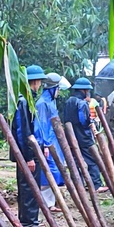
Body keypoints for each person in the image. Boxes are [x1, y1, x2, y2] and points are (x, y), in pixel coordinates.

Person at [10, 64, 47, 227]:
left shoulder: (27, 99)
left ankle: (31, 219)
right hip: (26, 152)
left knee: (31, 184)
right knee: (28, 185)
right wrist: (28, 156)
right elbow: (22, 131)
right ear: (35, 81)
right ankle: (28, 221)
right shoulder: (23, 101)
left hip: (29, 150)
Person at [63, 77, 109, 193]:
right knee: (92, 159)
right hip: (83, 136)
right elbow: (83, 120)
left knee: (75, 161)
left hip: (70, 136)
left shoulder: (69, 101)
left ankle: (78, 185)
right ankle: (96, 184)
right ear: (84, 90)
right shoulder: (82, 103)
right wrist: (90, 124)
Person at [36, 72, 65, 212]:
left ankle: (52, 202)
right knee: (48, 171)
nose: (58, 92)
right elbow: (41, 125)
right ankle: (47, 203)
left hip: (54, 142)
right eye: (58, 89)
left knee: (56, 169)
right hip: (49, 143)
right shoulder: (42, 104)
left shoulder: (50, 102)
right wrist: (45, 144)